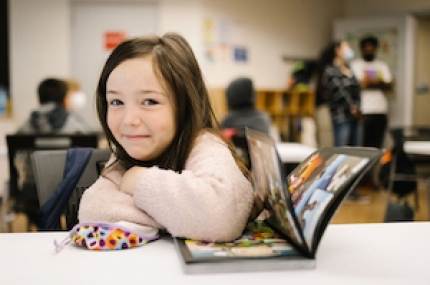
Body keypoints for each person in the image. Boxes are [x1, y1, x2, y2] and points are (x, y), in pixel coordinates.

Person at [77, 33, 256, 242]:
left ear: (185, 105)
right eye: (116, 102)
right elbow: (93, 211)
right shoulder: (125, 151)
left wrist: (138, 180)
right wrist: (184, 216)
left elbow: (220, 217)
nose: (129, 120)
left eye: (150, 101)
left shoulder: (205, 144)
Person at [316, 41, 362, 148]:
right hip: (341, 116)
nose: (349, 50)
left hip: (355, 117)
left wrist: (357, 108)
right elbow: (338, 91)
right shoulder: (330, 70)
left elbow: (357, 90)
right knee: (342, 149)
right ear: (337, 50)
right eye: (346, 48)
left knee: (357, 150)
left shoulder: (349, 69)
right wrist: (351, 107)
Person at [350, 35, 392, 149]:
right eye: (366, 47)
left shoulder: (382, 65)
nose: (369, 50)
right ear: (362, 49)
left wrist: (370, 82)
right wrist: (379, 82)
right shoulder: (356, 65)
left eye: (371, 47)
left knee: (378, 146)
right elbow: (361, 84)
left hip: (380, 110)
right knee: (364, 145)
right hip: (364, 110)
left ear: (375, 49)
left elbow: (389, 84)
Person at [18, 78, 91, 134]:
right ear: (64, 100)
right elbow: (91, 140)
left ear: (39, 101)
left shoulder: (26, 125)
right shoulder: (74, 122)